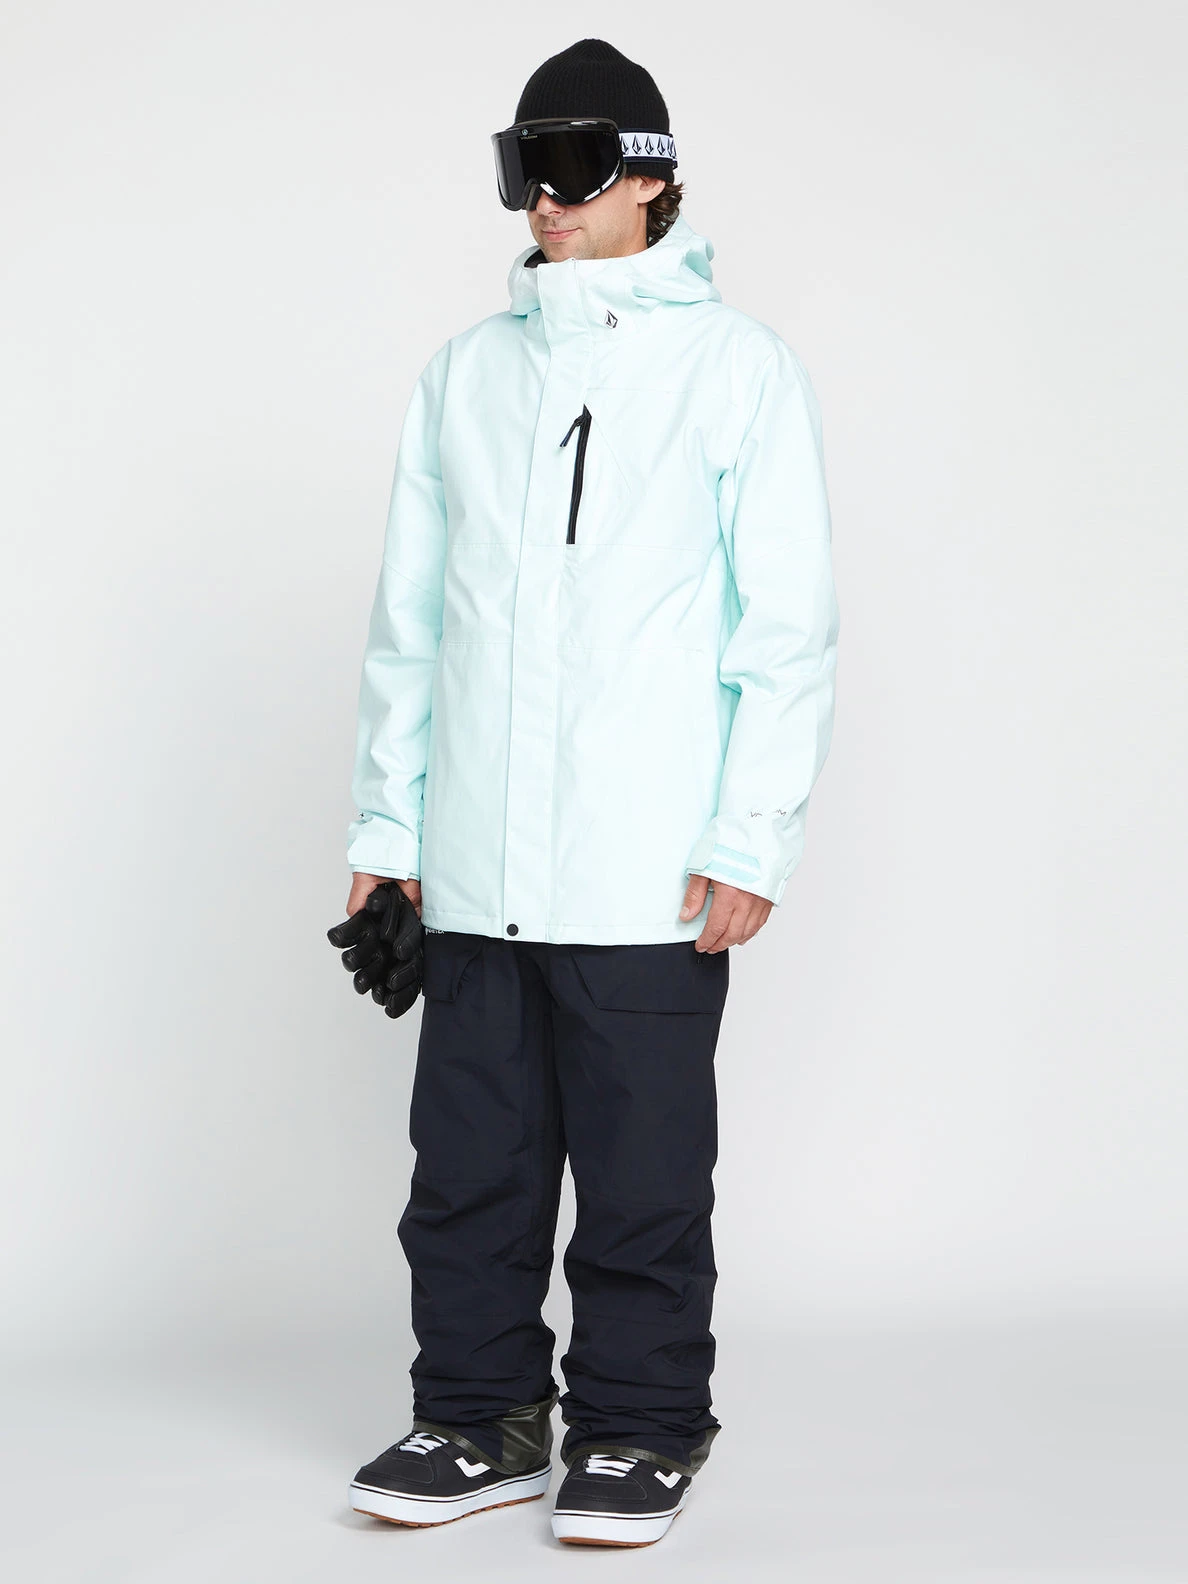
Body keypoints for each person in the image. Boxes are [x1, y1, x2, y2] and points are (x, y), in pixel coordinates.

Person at [338, 37, 840, 1548]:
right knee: (467, 1171)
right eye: (521, 169)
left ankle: (638, 1428)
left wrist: (751, 836)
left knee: (641, 1174)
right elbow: (410, 630)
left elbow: (786, 632)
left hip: (648, 867)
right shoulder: (465, 376)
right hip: (476, 866)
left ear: (650, 179)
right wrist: (388, 833)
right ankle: (479, 1416)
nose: (542, 200)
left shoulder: (737, 371)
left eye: (569, 166)